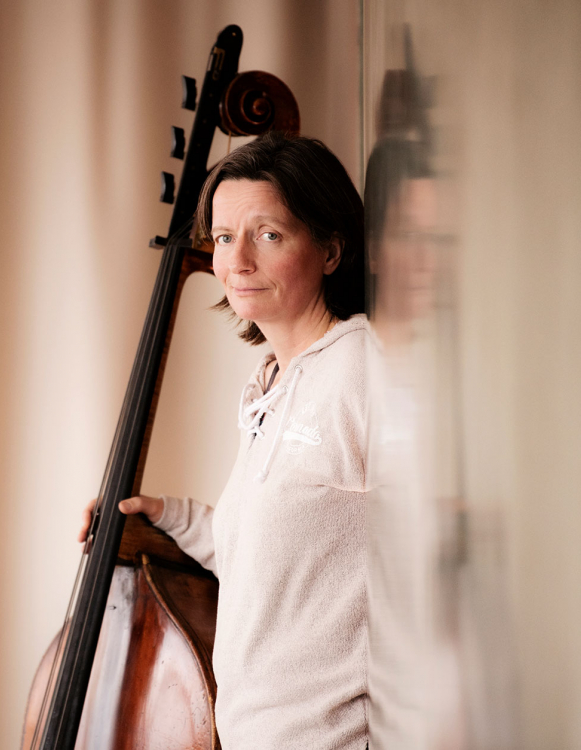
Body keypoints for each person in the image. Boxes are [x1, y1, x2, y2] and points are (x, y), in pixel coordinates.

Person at [79, 132, 371, 749]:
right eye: (223, 236)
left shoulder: (362, 369)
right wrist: (163, 517)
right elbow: (268, 556)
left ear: (330, 250)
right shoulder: (270, 383)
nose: (237, 261)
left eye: (268, 234)